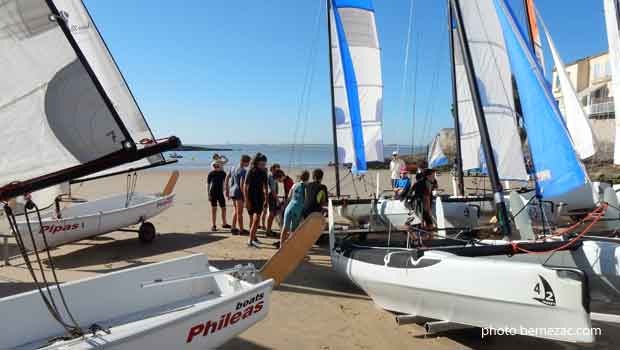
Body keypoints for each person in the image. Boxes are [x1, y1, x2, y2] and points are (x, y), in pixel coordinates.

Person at [275, 170, 309, 249]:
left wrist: (284, 207)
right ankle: (291, 247)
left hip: (289, 208)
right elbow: (306, 200)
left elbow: (289, 197)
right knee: (293, 230)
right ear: (308, 178)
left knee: (284, 228)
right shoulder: (306, 186)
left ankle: (281, 246)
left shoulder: (294, 185)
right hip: (297, 210)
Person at [244, 153, 269, 247]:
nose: (263, 166)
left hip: (260, 197)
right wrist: (246, 200)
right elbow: (245, 186)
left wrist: (266, 198)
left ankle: (252, 237)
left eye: (264, 164)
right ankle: (250, 239)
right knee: (254, 219)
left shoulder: (264, 172)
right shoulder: (251, 171)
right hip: (251, 197)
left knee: (256, 219)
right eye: (262, 164)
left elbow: (265, 186)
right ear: (257, 162)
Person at [225, 154, 250, 235]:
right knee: (240, 212)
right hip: (239, 192)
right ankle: (241, 230)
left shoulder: (233, 168)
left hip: (232, 191)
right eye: (248, 163)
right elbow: (242, 184)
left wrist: (227, 190)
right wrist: (245, 197)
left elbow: (227, 178)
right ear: (244, 162)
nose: (248, 165)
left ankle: (233, 227)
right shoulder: (243, 170)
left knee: (236, 211)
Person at [207, 161, 230, 231]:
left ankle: (224, 223)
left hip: (220, 193)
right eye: (214, 166)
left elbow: (226, 183)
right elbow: (208, 185)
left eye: (217, 166)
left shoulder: (223, 173)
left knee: (224, 208)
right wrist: (208, 194)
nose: (216, 167)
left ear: (220, 166)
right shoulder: (211, 173)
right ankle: (213, 225)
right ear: (213, 166)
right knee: (214, 209)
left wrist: (227, 191)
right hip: (213, 193)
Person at [261, 163, 281, 234]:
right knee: (271, 213)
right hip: (271, 196)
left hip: (271, 196)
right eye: (277, 169)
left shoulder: (272, 177)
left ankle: (268, 229)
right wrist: (277, 199)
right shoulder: (271, 177)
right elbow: (272, 190)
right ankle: (268, 230)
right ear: (272, 169)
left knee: (271, 213)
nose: (278, 170)